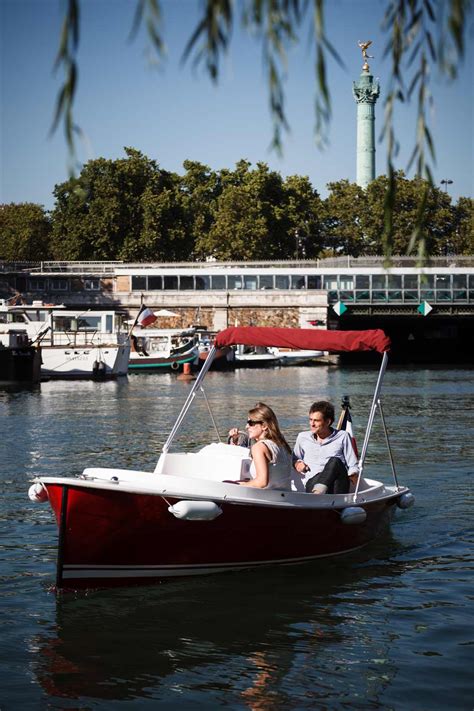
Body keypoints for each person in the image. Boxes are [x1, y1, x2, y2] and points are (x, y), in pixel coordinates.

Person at [293, 401, 359, 495]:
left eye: (316, 420)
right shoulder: (302, 437)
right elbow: (294, 459)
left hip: (337, 486)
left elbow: (352, 464)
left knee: (335, 461)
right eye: (310, 419)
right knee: (319, 476)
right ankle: (317, 493)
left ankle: (317, 495)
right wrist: (297, 463)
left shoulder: (342, 436)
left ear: (328, 422)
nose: (312, 424)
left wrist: (353, 474)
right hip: (312, 484)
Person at [236, 402, 292, 491]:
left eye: (251, 423)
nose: (246, 427)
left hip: (266, 500)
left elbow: (261, 482)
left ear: (264, 426)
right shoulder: (282, 444)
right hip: (285, 497)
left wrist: (239, 486)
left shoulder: (259, 447)